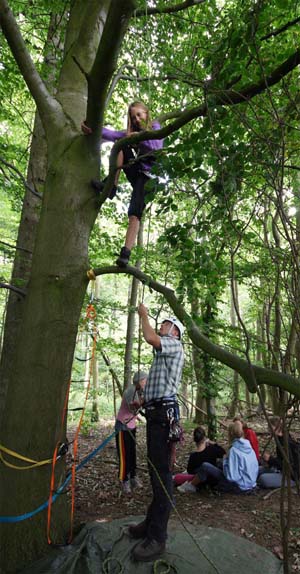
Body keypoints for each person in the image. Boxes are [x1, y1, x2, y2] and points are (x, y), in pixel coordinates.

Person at [128, 304, 184, 562]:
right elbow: (152, 341)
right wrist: (144, 401)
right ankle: (151, 525)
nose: (160, 326)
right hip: (157, 415)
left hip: (163, 417)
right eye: (160, 323)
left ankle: (157, 538)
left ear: (174, 331)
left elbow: (150, 336)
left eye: (165, 324)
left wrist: (143, 315)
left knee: (161, 475)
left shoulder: (174, 344)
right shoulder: (162, 354)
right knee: (155, 471)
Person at [82, 101, 163, 267]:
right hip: (137, 171)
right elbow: (111, 135)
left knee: (134, 213)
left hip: (149, 179)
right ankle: (111, 186)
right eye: (133, 118)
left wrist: (138, 139)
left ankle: (125, 254)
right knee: (120, 145)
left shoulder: (155, 127)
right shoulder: (131, 133)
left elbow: (154, 147)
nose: (137, 119)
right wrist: (92, 128)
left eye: (139, 115)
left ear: (147, 113)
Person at [178, 420, 258, 494]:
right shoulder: (246, 445)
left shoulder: (234, 450)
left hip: (239, 486)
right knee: (218, 464)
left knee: (205, 466)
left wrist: (225, 461)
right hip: (250, 482)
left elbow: (232, 477)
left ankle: (191, 485)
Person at [115, 371, 147, 494]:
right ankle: (124, 479)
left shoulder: (140, 391)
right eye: (144, 380)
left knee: (132, 453)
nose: (146, 383)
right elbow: (133, 408)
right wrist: (143, 403)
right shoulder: (130, 391)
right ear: (139, 381)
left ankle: (133, 477)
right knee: (124, 454)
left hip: (131, 426)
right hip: (122, 426)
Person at [258, 416, 296, 489]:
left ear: (277, 427)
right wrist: (269, 461)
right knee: (257, 470)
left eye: (270, 427)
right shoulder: (279, 439)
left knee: (263, 478)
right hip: (280, 470)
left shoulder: (286, 443)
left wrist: (270, 459)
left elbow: (288, 465)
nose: (268, 429)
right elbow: (280, 460)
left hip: (290, 477)